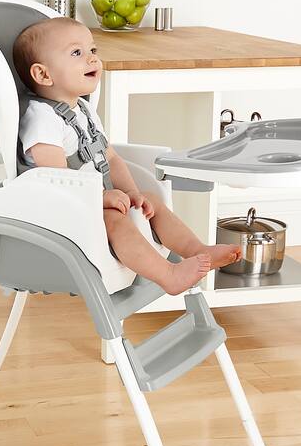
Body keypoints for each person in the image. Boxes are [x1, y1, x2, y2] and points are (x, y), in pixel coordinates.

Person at [12, 16, 240, 295]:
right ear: (44, 75)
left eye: (93, 50)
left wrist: (132, 193)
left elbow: (111, 158)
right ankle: (168, 275)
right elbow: (58, 182)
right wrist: (102, 199)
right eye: (77, 53)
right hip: (63, 213)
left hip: (93, 201)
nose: (92, 59)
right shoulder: (42, 118)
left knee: (152, 201)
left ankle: (197, 251)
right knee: (115, 221)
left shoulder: (83, 110)